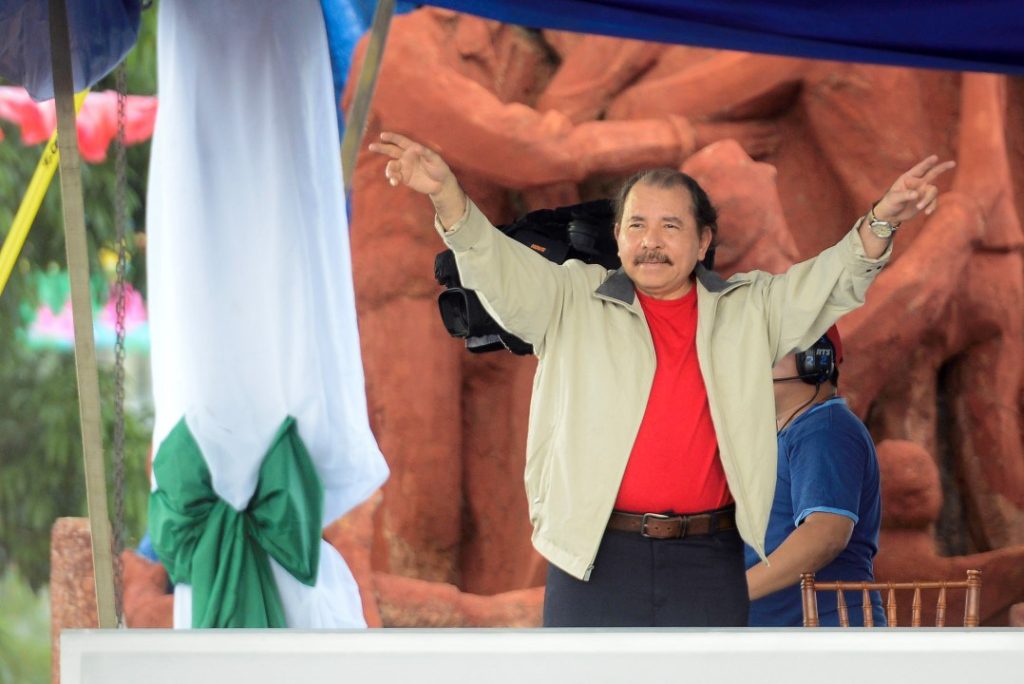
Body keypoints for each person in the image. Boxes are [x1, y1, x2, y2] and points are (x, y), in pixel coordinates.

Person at [369, 129, 953, 627]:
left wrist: (881, 219)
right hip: (591, 557)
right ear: (618, 238)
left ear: (703, 241)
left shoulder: (747, 310)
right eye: (637, 225)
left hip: (709, 557)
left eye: (671, 225)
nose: (651, 241)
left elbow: (830, 280)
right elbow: (497, 268)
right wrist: (447, 197)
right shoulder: (570, 299)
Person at [745, 326, 886, 626]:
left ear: (815, 361)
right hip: (797, 640)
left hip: (821, 640)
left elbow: (825, 534)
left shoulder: (824, 430)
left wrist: (733, 592)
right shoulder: (795, 432)